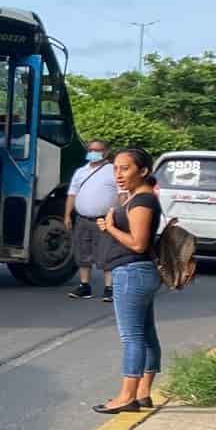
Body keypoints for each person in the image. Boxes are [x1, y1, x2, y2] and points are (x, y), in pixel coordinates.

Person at [93, 148, 164, 414]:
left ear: (143, 171)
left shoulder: (142, 201)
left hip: (132, 272)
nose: (119, 174)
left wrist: (111, 227)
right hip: (137, 272)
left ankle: (127, 396)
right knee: (146, 335)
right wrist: (110, 226)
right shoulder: (137, 198)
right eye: (115, 169)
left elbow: (138, 244)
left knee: (132, 336)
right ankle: (143, 393)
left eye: (125, 168)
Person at [65, 139, 119, 301]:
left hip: (104, 220)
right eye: (91, 149)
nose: (93, 153)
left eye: (98, 150)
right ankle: (84, 286)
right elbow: (72, 194)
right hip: (82, 219)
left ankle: (110, 288)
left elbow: (122, 194)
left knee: (107, 253)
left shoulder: (113, 171)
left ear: (106, 152)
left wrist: (119, 215)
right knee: (82, 253)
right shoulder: (81, 171)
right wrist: (67, 215)